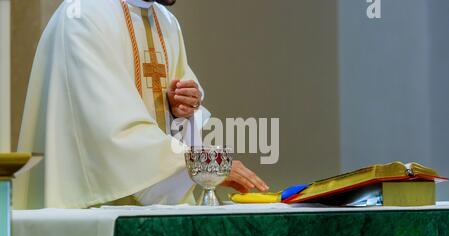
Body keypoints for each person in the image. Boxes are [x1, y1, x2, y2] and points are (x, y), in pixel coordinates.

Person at [14, 0, 268, 209]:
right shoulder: (83, 16)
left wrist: (179, 111)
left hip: (155, 213)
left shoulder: (166, 22)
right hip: (92, 216)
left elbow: (175, 114)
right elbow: (111, 134)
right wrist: (203, 165)